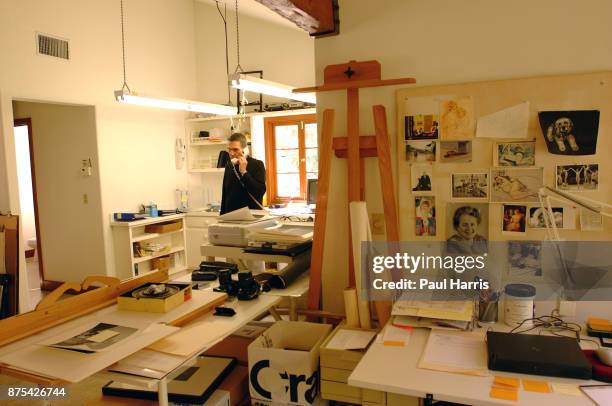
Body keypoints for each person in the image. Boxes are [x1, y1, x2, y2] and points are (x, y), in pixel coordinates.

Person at [220, 133, 266, 215]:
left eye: (235, 149)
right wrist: (222, 216)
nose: (231, 153)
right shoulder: (229, 165)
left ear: (245, 150)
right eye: (229, 149)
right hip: (230, 216)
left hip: (251, 216)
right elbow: (225, 194)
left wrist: (244, 172)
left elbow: (259, 192)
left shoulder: (257, 164)